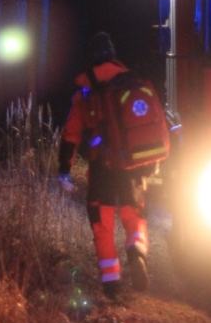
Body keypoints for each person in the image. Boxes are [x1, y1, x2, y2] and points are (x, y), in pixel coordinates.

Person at [58, 32, 149, 298]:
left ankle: (112, 284)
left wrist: (64, 169)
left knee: (103, 224)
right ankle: (137, 251)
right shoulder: (131, 82)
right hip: (133, 165)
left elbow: (70, 134)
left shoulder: (87, 89)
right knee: (134, 215)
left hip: (102, 168)